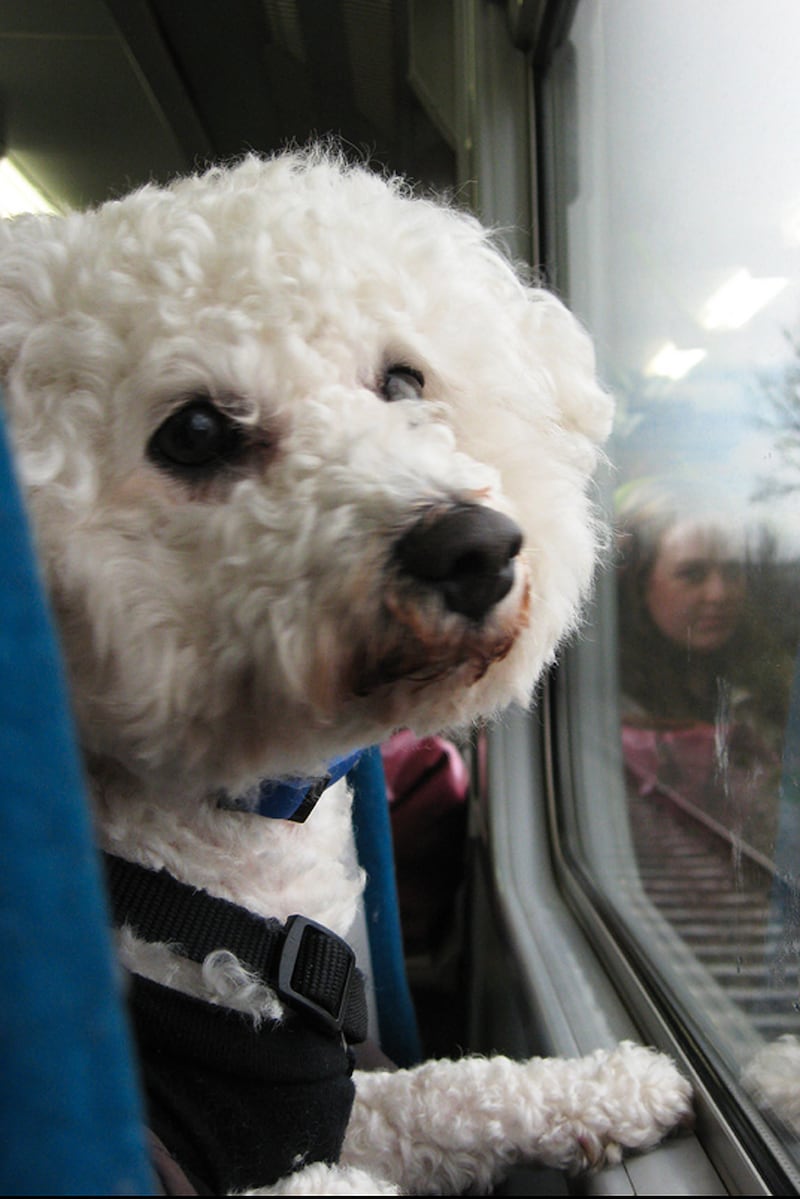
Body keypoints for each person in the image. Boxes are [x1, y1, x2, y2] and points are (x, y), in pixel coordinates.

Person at [615, 480, 790, 853]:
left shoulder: (770, 679)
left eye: (731, 572)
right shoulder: (610, 702)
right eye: (692, 574)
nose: (719, 594)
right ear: (642, 584)